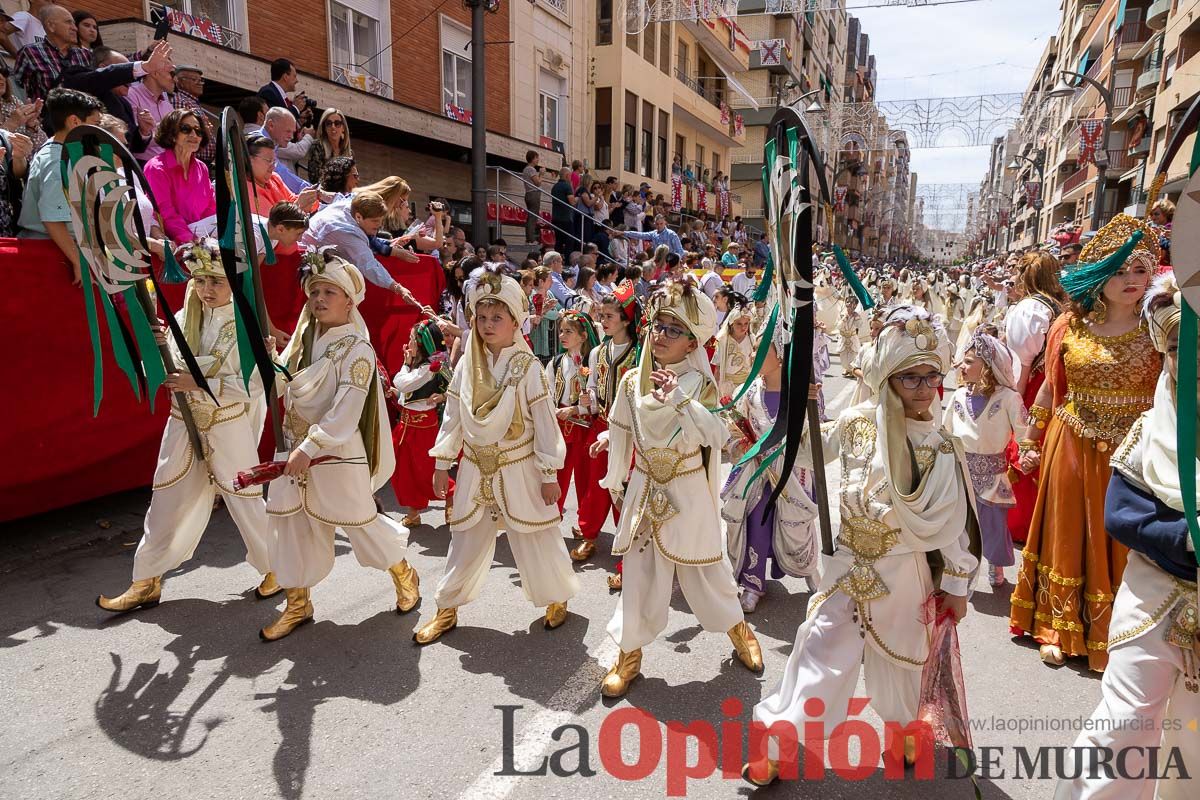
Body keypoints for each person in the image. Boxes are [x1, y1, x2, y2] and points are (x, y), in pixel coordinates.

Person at [746, 307, 979, 785]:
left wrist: (956, 582)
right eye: (909, 377)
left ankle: (905, 733)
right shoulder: (856, 422)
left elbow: (951, 525)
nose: (922, 388)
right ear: (887, 377)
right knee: (819, 655)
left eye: (930, 377)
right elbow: (808, 452)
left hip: (905, 575)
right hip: (847, 569)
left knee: (903, 666)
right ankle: (778, 747)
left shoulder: (939, 445)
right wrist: (800, 413)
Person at [1056, 273, 1199, 799]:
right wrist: (1186, 538)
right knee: (1125, 724)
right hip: (1155, 599)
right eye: (1186, 348)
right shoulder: (1152, 430)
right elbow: (1122, 514)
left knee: (1193, 736)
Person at [592, 277, 764, 697]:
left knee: (708, 574)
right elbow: (619, 425)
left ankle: (739, 630)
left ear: (693, 343)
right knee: (638, 577)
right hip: (646, 489)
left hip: (687, 493)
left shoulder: (699, 385)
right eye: (659, 326)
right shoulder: (634, 379)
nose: (662, 335)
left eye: (675, 329)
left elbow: (715, 436)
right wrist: (612, 462)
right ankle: (628, 655)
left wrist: (679, 401)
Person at [1010, 214, 1162, 671]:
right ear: (1099, 275)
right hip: (1072, 444)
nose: (1131, 279)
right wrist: (1032, 438)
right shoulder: (1068, 326)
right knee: (1067, 533)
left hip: (1137, 452)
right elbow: (1051, 387)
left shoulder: (1162, 326)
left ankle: (1124, 630)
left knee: (1128, 540)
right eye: (1119, 270)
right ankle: (1058, 626)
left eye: (1139, 269)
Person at [97, 241, 278, 613]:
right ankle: (145, 580)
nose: (206, 290)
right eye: (200, 280)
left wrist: (198, 383)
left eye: (217, 282)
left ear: (234, 284)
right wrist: (158, 348)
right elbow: (165, 373)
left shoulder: (247, 326)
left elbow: (257, 384)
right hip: (182, 422)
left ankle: (276, 568)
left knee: (244, 502)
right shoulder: (182, 317)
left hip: (226, 424)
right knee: (165, 500)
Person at [415, 269, 580, 645]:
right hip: (475, 466)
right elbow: (453, 415)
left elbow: (544, 424)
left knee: (535, 536)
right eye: (482, 318)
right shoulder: (466, 366)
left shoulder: (529, 368)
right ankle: (446, 607)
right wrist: (443, 462)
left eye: (497, 318)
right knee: (465, 539)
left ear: (515, 322)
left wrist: (549, 471)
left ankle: (555, 597)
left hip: (519, 466)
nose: (488, 325)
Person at [261, 251, 420, 641]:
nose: (319, 298)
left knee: (361, 527)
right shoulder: (301, 342)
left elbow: (346, 407)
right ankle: (298, 604)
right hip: (294, 448)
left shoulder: (357, 349)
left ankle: (403, 570)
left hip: (333, 453)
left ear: (349, 300)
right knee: (290, 525)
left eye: (330, 291)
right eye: (314, 291)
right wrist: (269, 364)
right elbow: (284, 389)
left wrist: (311, 447)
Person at [722, 323, 820, 614]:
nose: (753, 355)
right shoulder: (747, 391)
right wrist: (739, 446)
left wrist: (812, 405)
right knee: (756, 521)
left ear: (781, 357)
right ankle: (753, 583)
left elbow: (818, 435)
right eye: (754, 349)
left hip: (791, 471)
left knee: (797, 524)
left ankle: (808, 570)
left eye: (762, 351)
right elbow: (733, 432)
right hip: (756, 471)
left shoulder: (804, 393)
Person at [944, 332, 1025, 587]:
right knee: (960, 525)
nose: (961, 366)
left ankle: (996, 565)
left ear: (988, 366)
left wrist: (1028, 454)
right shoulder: (958, 397)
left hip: (993, 475)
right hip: (961, 473)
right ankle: (962, 572)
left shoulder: (1008, 399)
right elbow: (945, 432)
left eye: (969, 361)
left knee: (993, 525)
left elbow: (1024, 432)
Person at [576, 283, 641, 580]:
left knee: (624, 491)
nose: (603, 321)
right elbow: (592, 388)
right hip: (601, 424)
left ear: (626, 319)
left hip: (629, 432)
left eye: (610, 316)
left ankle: (627, 557)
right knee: (594, 486)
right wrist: (587, 401)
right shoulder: (598, 352)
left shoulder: (640, 353)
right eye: (602, 315)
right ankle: (589, 534)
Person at [1005, 252, 1066, 547]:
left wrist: (1014, 400)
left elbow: (1021, 363)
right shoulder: (1063, 308)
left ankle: (1022, 523)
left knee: (1025, 448)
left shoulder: (1029, 308)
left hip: (1036, 387)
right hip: (1059, 387)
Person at [18, 88, 103, 285]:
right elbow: (52, 220)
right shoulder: (57, 162)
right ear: (74, 121)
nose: (100, 132)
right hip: (52, 257)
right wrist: (78, 262)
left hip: (62, 253)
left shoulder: (63, 151)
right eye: (96, 125)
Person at [546, 308, 605, 541]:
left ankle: (585, 521)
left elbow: (597, 397)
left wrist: (579, 408)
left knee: (584, 477)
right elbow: (549, 392)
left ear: (582, 336)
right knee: (556, 472)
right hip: (561, 425)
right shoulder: (556, 362)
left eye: (568, 331)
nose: (562, 335)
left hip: (583, 426)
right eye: (561, 331)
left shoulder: (591, 363)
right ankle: (551, 516)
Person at [302, 191, 423, 303]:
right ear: (359, 217)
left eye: (381, 220)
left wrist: (389, 243)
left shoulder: (353, 205)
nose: (380, 225)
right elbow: (369, 266)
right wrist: (399, 289)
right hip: (304, 267)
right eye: (375, 221)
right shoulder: (346, 233)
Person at [390, 319, 453, 527]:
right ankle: (413, 511)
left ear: (421, 343)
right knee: (403, 471)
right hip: (406, 424)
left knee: (426, 469)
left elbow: (402, 382)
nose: (408, 343)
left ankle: (451, 494)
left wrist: (406, 364)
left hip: (423, 427)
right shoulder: (419, 366)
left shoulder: (429, 367)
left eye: (411, 339)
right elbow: (404, 391)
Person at [143, 108, 216, 245]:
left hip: (202, 241)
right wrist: (190, 241)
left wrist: (209, 240)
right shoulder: (156, 168)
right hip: (171, 243)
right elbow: (164, 212)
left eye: (198, 131)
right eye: (185, 129)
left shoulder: (202, 168)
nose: (194, 134)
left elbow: (210, 208)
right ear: (172, 135)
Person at [12, 4, 89, 103]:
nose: (75, 28)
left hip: (85, 115)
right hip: (49, 116)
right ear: (51, 26)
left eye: (74, 23)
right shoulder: (30, 53)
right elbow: (18, 90)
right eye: (68, 22)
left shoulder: (84, 55)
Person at [126, 55, 176, 163]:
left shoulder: (167, 105)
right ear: (154, 73)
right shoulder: (131, 95)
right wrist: (168, 130)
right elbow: (133, 138)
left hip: (167, 166)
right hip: (141, 165)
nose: (175, 79)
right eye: (171, 73)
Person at [170, 65, 215, 168]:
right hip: (190, 161)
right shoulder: (180, 101)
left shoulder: (193, 102)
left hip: (200, 162)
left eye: (201, 80)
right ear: (180, 82)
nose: (200, 83)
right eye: (194, 80)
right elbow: (182, 135)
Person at [261, 106, 312, 193]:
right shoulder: (260, 144)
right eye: (288, 131)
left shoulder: (271, 144)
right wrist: (311, 190)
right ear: (271, 125)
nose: (291, 137)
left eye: (293, 132)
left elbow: (283, 172)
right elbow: (281, 174)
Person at [711, 300, 753, 401]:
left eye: (746, 323)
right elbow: (718, 368)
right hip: (728, 386)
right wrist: (716, 389)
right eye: (739, 324)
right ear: (731, 324)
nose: (743, 327)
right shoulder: (723, 341)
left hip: (746, 384)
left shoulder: (752, 339)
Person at [0, 64, 45, 151]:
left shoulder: (13, 101)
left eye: (3, 72)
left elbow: (43, 148)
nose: (1, 77)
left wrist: (31, 126)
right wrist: (12, 123)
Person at [305, 107, 352, 185]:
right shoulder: (317, 146)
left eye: (337, 123)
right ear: (324, 128)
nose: (333, 126)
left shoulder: (349, 153)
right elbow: (314, 178)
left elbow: (352, 180)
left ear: (343, 128)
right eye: (328, 123)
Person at [258, 58, 303, 122]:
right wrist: (295, 108)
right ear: (285, 77)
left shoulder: (278, 94)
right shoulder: (268, 93)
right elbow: (277, 121)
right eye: (294, 76)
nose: (297, 81)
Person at [550, 166, 578, 256]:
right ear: (567, 176)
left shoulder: (555, 187)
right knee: (569, 240)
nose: (570, 178)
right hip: (566, 218)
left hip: (555, 217)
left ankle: (557, 259)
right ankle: (567, 262)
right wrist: (577, 198)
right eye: (570, 176)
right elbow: (572, 202)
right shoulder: (567, 186)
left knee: (558, 241)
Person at [522, 149, 544, 244]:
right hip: (533, 194)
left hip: (529, 194)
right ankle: (531, 239)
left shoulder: (526, 169)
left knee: (531, 216)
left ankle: (529, 238)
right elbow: (538, 183)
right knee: (533, 217)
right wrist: (541, 174)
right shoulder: (531, 169)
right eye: (536, 158)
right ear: (532, 159)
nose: (538, 160)